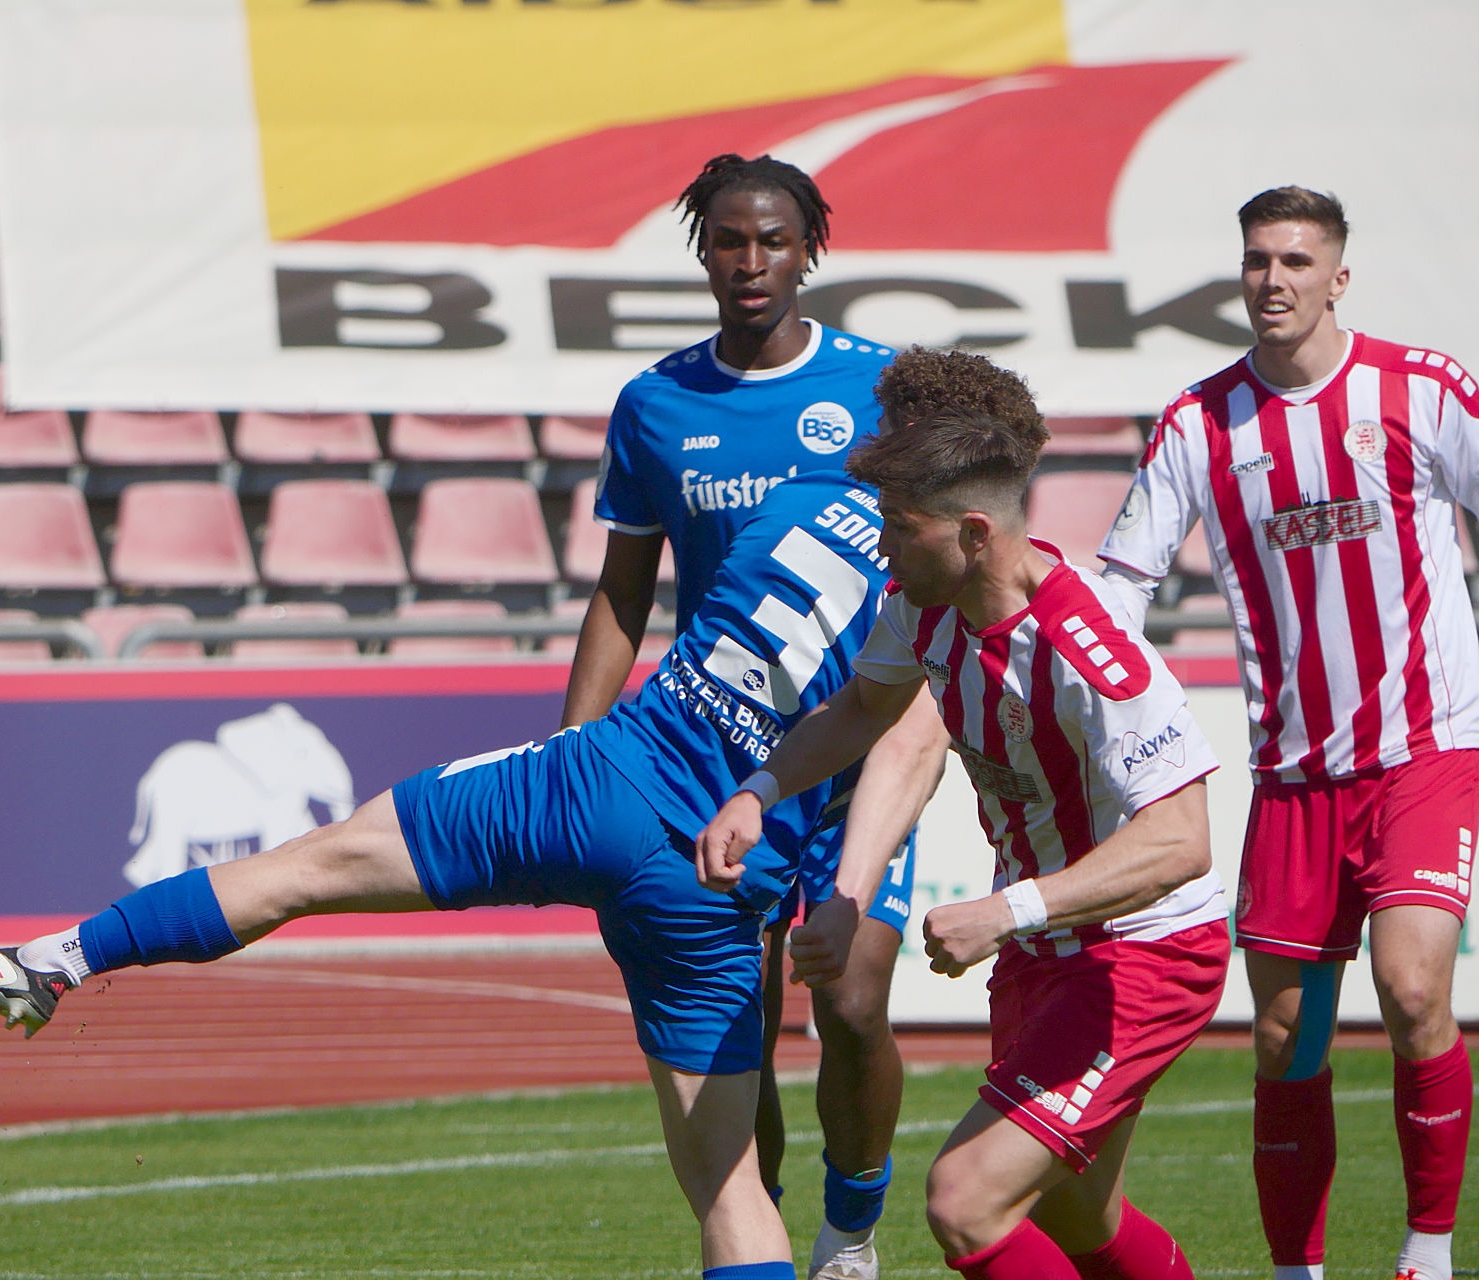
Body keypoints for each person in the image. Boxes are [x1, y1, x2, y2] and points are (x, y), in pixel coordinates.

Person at [0, 469, 947, 1280]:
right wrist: (842, 887)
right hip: (714, 875)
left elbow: (677, 599)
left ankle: (59, 957)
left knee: (305, 867)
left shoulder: (794, 498)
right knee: (730, 1188)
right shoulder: (933, 585)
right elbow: (904, 742)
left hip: (591, 786)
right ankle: (847, 1236)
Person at [698, 401, 1230, 1280]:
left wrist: (1005, 910)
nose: (883, 548)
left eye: (900, 529)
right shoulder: (924, 608)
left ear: (975, 534)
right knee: (1075, 1212)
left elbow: (1181, 841)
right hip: (1043, 950)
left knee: (965, 1201)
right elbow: (865, 712)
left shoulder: (1088, 646)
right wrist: (760, 791)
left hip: (1142, 953)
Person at [1096, 186, 1477, 1280]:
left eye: (1298, 261)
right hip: (1294, 774)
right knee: (1283, 1039)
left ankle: (1427, 1250)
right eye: (1259, 260)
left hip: (1426, 752)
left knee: (1414, 991)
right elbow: (1121, 583)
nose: (1275, 279)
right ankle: (1294, 1269)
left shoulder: (1421, 387)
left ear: (1339, 277)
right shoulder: (1200, 422)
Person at [564, 150, 915, 1280]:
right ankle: (756, 1233)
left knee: (851, 997)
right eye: (729, 240)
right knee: (739, 1029)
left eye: (772, 240)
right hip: (714, 761)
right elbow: (624, 592)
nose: (750, 260)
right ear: (703, 253)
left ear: (810, 250)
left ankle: (851, 1231)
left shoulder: (882, 389)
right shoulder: (656, 404)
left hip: (854, 742)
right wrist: (576, 746)